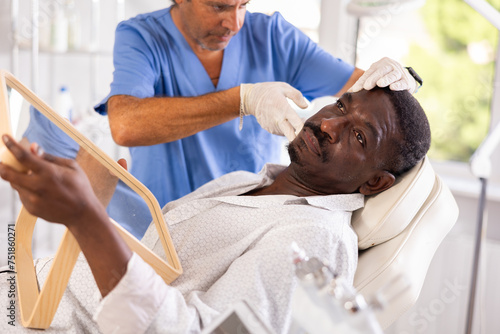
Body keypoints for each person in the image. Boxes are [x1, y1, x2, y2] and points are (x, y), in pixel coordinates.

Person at [0, 87, 430, 333]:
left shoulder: (313, 241)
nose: (329, 123)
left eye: (358, 137)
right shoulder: (251, 181)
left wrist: (85, 218)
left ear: (375, 182)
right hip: (27, 288)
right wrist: (97, 198)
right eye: (341, 104)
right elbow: (164, 259)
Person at [93, 0, 422, 239]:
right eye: (219, 6)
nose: (234, 24)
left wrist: (405, 77)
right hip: (150, 227)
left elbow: (366, 100)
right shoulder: (142, 37)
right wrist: (243, 99)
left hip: (240, 229)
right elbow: (125, 125)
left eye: (243, 5)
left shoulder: (274, 39)